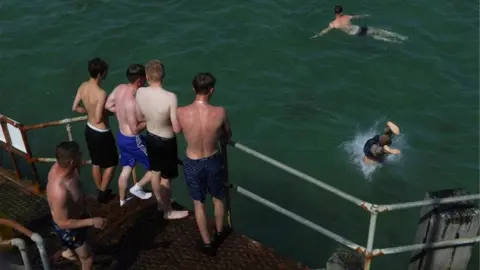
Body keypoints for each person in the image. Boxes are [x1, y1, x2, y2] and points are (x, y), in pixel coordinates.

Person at [177, 72, 232, 256]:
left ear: (193, 89)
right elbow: (227, 135)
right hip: (213, 160)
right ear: (212, 90)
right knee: (217, 198)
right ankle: (219, 232)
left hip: (192, 162)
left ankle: (208, 244)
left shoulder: (181, 112)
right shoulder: (220, 112)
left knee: (198, 203)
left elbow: (176, 131)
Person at [135, 60, 189, 220]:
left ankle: (160, 203)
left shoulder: (140, 93)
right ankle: (168, 211)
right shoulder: (170, 97)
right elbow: (177, 128)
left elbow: (140, 117)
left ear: (147, 76)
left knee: (155, 172)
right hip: (166, 141)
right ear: (163, 76)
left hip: (150, 137)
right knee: (166, 178)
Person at [46, 141, 107, 270]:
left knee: (74, 244)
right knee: (88, 258)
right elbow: (62, 223)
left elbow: (75, 188)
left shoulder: (60, 167)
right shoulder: (60, 191)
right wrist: (92, 221)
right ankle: (72, 251)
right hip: (69, 228)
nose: (82, 155)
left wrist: (84, 197)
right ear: (73, 161)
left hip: (74, 214)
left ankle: (68, 252)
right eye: (79, 154)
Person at [105, 64, 153, 206]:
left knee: (126, 168)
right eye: (145, 78)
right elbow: (135, 129)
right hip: (134, 140)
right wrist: (150, 119)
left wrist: (121, 113)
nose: (146, 80)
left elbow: (108, 105)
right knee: (157, 166)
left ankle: (122, 200)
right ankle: (137, 188)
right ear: (139, 80)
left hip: (121, 137)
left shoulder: (120, 88)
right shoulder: (133, 101)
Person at [72, 57, 118, 203]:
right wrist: (111, 112)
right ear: (100, 74)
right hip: (101, 132)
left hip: (89, 129)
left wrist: (89, 112)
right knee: (112, 163)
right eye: (105, 72)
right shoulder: (101, 93)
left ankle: (100, 190)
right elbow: (99, 118)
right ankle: (103, 192)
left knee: (96, 162)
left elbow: (75, 107)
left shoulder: (82, 86)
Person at [311, 5, 407, 43]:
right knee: (378, 31)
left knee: (375, 36)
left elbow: (325, 30)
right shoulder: (347, 16)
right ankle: (398, 37)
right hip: (358, 29)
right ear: (341, 12)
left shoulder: (333, 24)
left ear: (335, 13)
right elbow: (357, 16)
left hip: (355, 33)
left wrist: (317, 35)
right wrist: (365, 15)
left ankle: (396, 41)